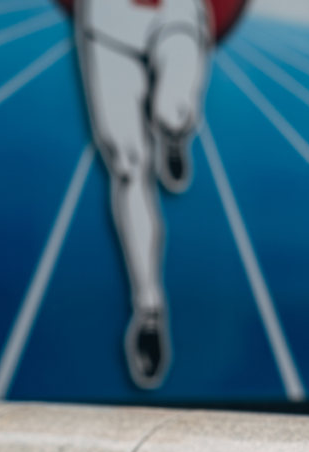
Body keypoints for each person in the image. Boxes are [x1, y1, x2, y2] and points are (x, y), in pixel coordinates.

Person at [70, 0, 245, 389]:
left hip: (174, 13)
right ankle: (148, 308)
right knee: (129, 164)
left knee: (173, 110)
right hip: (110, 19)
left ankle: (174, 133)